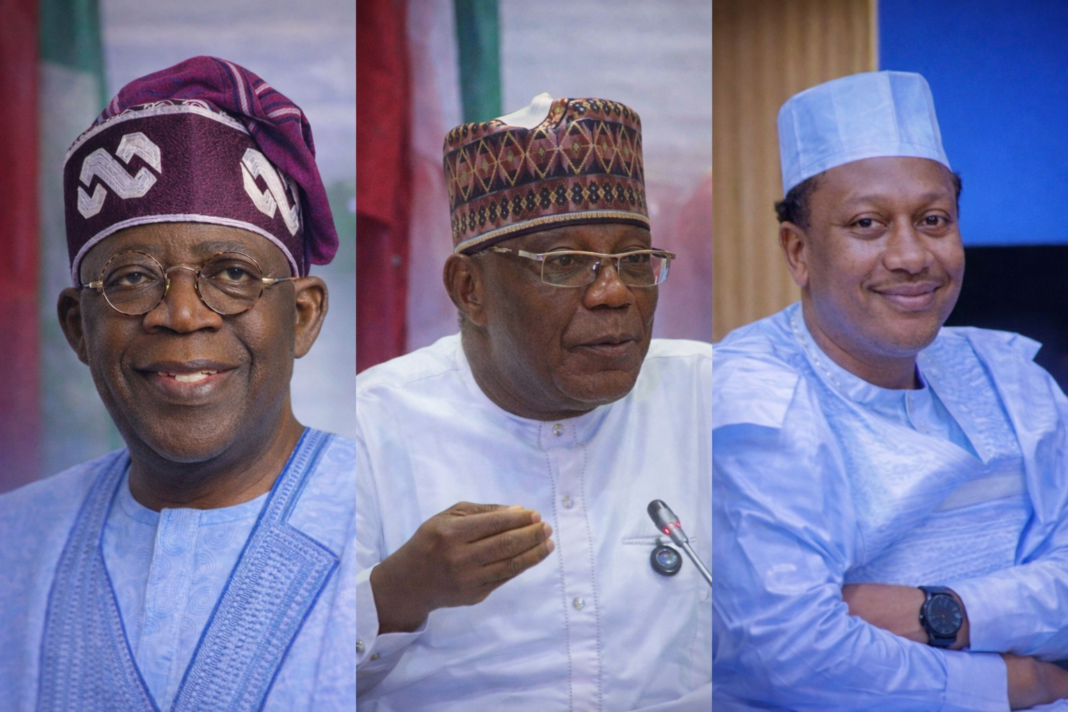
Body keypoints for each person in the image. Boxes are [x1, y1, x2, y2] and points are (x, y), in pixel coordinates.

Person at [0, 57, 355, 711]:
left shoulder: (395, 519)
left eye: (232, 273)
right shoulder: (12, 544)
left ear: (301, 317)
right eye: (132, 278)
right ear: (79, 327)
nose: (184, 314)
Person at [712, 70, 1068, 711]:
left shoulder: (1012, 377)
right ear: (798, 252)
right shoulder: (750, 393)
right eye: (868, 224)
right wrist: (1024, 682)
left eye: (933, 220)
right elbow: (791, 654)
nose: (910, 255)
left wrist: (942, 612)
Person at [355, 94, 711, 710]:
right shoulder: (370, 423)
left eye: (633, 260)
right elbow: (283, 681)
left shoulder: (710, 397)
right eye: (566, 262)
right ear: (471, 290)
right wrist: (398, 594)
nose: (612, 293)